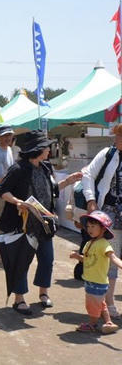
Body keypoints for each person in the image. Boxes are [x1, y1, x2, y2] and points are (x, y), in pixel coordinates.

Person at [0, 130, 82, 314]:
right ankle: (19, 299)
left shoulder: (45, 167)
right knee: (22, 261)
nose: (49, 151)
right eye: (46, 148)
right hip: (23, 223)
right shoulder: (18, 169)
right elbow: (3, 190)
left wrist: (68, 181)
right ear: (37, 150)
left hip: (44, 222)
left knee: (47, 259)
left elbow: (50, 191)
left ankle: (43, 293)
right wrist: (18, 202)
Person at [81, 123, 122, 318]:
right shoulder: (108, 154)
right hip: (109, 214)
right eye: (118, 135)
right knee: (110, 258)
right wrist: (91, 200)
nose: (118, 139)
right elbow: (88, 174)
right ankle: (109, 302)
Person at [70, 211, 120, 333]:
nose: (89, 229)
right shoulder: (89, 243)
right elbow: (87, 260)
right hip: (90, 279)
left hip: (97, 282)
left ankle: (92, 324)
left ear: (103, 229)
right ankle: (109, 322)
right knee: (100, 303)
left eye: (93, 226)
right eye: (88, 226)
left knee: (92, 304)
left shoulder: (104, 244)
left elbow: (113, 258)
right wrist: (78, 257)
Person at [0, 125, 15, 263]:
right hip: (0, 193)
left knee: (7, 222)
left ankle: (2, 252)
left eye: (9, 135)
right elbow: (0, 179)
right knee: (1, 222)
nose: (7, 138)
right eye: (5, 136)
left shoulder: (9, 150)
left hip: (8, 191)